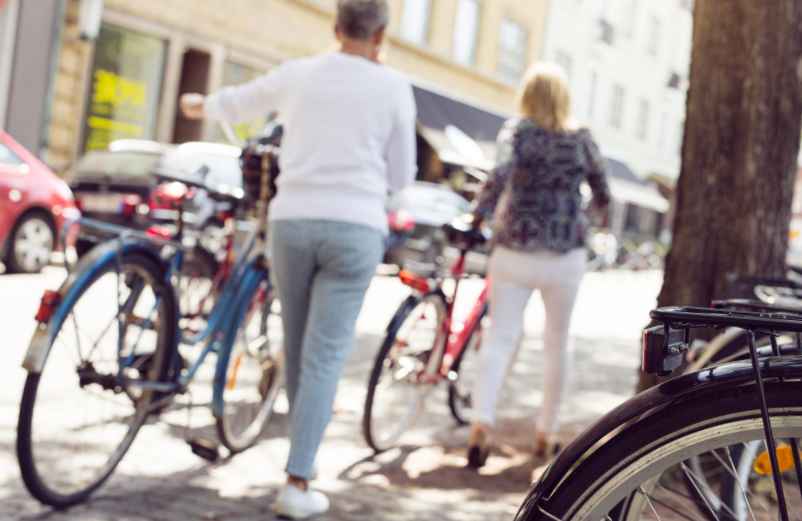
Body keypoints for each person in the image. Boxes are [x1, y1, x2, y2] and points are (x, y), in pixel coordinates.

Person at [180, 0, 417, 517]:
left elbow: (241, 102)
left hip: (292, 222)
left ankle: (299, 456)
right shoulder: (393, 86)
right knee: (325, 354)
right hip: (355, 226)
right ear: (381, 36)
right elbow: (401, 176)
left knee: (297, 342)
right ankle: (297, 479)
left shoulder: (301, 74)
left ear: (335, 28)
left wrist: (199, 105)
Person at [466, 62, 610, 472]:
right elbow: (603, 189)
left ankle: (481, 422)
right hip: (565, 255)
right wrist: (589, 219)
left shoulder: (517, 131)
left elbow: (498, 174)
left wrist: (479, 215)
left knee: (499, 339)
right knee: (557, 342)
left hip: (514, 248)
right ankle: (546, 431)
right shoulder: (581, 138)